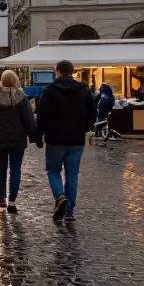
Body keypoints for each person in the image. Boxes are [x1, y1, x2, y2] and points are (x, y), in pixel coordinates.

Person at [37, 60, 96, 222]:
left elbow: (42, 114)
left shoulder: (50, 90)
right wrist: (86, 127)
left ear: (57, 71)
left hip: (55, 138)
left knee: (54, 171)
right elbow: (92, 112)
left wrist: (39, 134)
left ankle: (59, 196)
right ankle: (69, 212)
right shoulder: (83, 90)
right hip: (76, 139)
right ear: (73, 71)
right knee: (72, 175)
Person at [0, 70, 41, 214]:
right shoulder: (22, 97)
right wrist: (35, 138)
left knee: (1, 167)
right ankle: (12, 201)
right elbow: (28, 120)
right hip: (17, 139)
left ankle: (2, 196)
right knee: (15, 170)